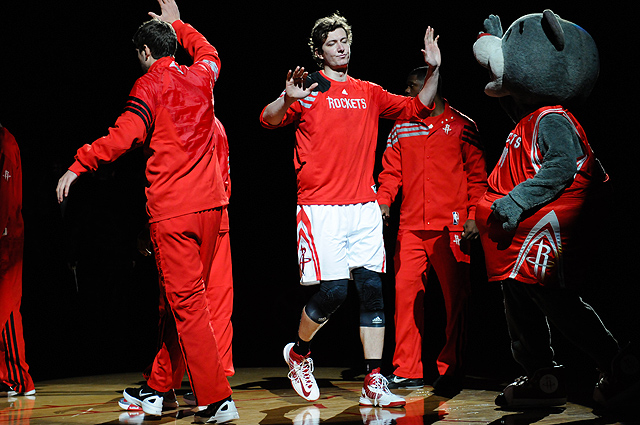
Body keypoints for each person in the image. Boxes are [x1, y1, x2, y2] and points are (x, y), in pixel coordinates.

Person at [55, 0, 237, 422]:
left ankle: (217, 399)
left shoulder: (149, 85)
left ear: (144, 51)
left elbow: (124, 135)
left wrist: (79, 164)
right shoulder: (201, 76)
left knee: (186, 305)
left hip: (174, 213)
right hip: (211, 209)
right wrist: (179, 23)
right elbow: (210, 52)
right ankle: (157, 389)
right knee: (182, 303)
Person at [259, 12, 441, 407]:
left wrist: (434, 69)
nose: (341, 48)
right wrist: (286, 98)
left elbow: (416, 108)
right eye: (332, 43)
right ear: (319, 51)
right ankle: (299, 354)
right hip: (321, 207)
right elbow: (268, 120)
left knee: (373, 292)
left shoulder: (368, 91)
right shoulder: (307, 89)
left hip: (363, 207)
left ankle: (374, 379)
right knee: (334, 292)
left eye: (344, 40)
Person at [377, 67, 487, 397]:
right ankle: (406, 370)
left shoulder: (463, 126)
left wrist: (474, 215)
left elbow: (478, 178)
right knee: (405, 299)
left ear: (430, 85)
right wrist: (384, 201)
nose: (407, 93)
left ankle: (452, 369)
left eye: (411, 87)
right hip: (411, 227)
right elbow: (390, 171)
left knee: (456, 302)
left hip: (451, 228)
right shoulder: (402, 125)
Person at [0, 125, 35, 398]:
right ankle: (7, 375)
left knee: (7, 305)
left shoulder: (6, 143)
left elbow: (8, 197)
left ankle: (17, 377)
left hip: (6, 237)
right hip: (5, 233)